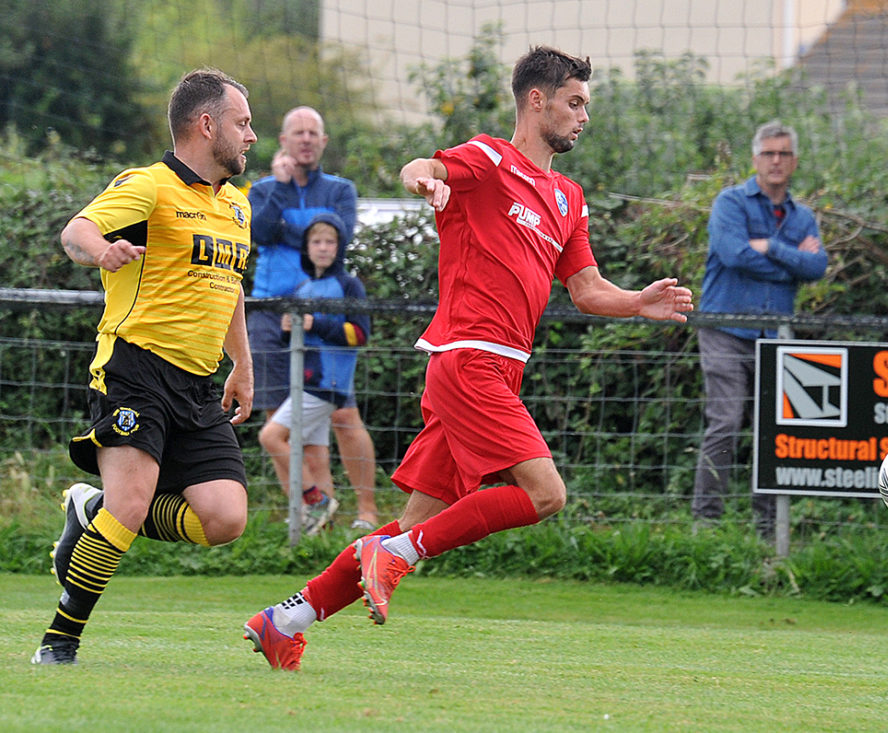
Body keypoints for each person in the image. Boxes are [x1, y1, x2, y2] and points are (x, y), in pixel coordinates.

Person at [242, 46, 694, 671]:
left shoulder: (568, 196)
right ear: (537, 101)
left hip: (498, 367)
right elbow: (422, 165)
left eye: (585, 104)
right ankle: (400, 556)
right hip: (467, 358)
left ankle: (285, 619)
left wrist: (637, 302)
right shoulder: (489, 158)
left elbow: (587, 290)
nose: (583, 116)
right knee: (544, 495)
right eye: (574, 102)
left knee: (408, 525)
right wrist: (424, 179)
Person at [32, 68, 257, 665]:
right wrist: (102, 250)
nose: (251, 136)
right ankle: (59, 644)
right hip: (134, 367)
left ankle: (90, 507)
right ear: (206, 125)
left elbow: (229, 286)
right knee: (129, 506)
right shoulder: (148, 186)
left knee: (226, 518)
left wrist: (243, 364)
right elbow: (74, 231)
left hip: (197, 383)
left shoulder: (237, 205)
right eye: (243, 123)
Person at [692, 121, 828, 540]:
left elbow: (818, 267)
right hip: (725, 330)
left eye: (783, 154)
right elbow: (733, 255)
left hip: (776, 337)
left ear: (794, 161)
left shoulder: (802, 216)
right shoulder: (730, 203)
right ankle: (706, 527)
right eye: (768, 153)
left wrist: (770, 247)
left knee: (773, 434)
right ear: (755, 159)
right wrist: (791, 262)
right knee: (727, 422)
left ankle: (769, 534)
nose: (775, 161)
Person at [248, 105, 378, 530]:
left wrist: (291, 228)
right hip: (270, 313)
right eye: (297, 133)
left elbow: (337, 238)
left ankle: (366, 513)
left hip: (325, 311)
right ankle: (310, 513)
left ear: (323, 142)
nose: (305, 139)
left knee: (341, 415)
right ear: (283, 141)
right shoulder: (264, 189)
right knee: (279, 419)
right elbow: (258, 233)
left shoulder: (341, 190)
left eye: (313, 133)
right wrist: (280, 194)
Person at [258, 213, 373, 535]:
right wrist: (287, 331)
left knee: (270, 436)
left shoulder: (349, 285)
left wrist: (315, 323)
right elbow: (300, 339)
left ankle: (316, 501)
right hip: (306, 381)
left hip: (327, 385)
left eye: (330, 242)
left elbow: (360, 335)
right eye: (317, 242)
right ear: (307, 248)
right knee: (317, 455)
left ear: (339, 247)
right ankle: (325, 530)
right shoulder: (303, 287)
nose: (323, 248)